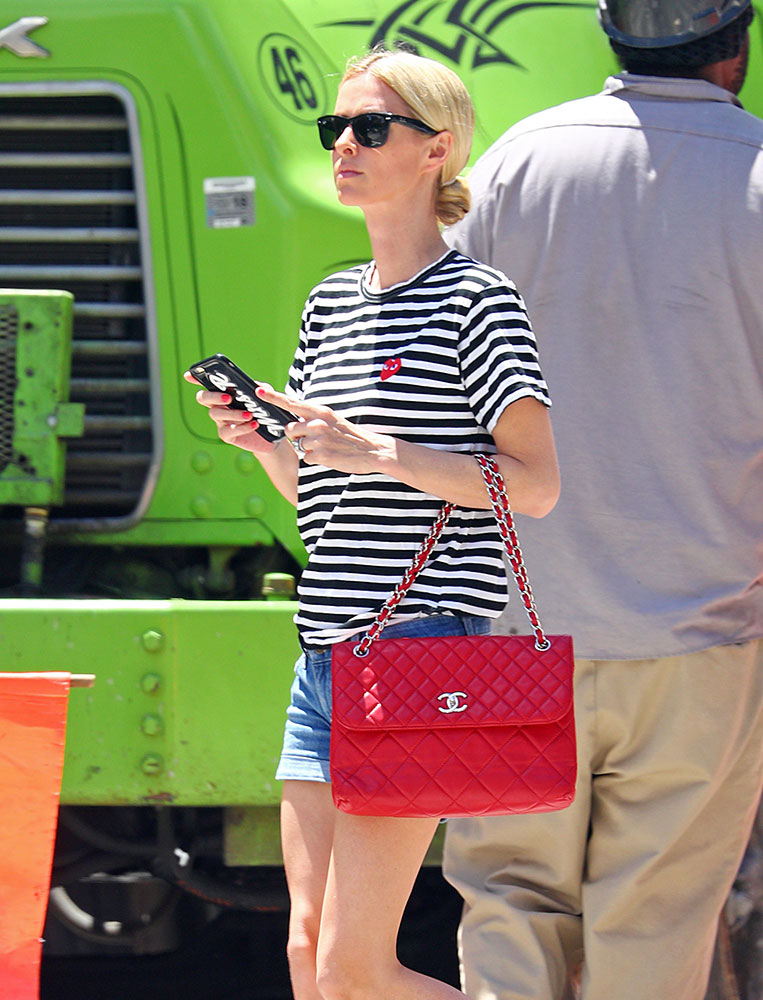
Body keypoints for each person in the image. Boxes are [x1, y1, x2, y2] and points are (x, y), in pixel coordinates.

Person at [185, 48, 559, 1000]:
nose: (343, 145)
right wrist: (265, 446)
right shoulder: (331, 304)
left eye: (370, 128)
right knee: (309, 961)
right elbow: (328, 507)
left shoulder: (479, 299)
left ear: (437, 149)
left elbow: (539, 485)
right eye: (334, 129)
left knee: (358, 969)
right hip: (324, 659)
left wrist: (382, 450)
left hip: (417, 655)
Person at [442, 2, 763, 999]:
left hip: (512, 628)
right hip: (700, 636)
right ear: (735, 50)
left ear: (609, 36)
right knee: (657, 916)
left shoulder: (515, 164)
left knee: (506, 902)